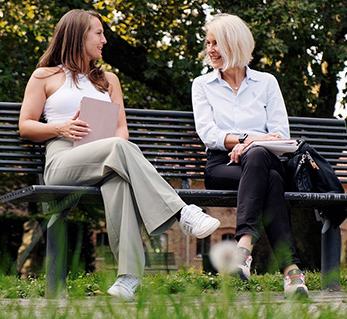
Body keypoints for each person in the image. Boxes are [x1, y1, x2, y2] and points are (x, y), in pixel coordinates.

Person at [18, 9, 220, 301]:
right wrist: (60, 128)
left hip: (108, 156)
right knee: (118, 151)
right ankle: (180, 211)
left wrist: (109, 143)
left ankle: (128, 278)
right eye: (98, 33)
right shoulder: (45, 76)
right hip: (63, 159)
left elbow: (121, 131)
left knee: (120, 182)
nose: (104, 40)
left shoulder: (108, 80)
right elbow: (26, 126)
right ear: (77, 35)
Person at [191, 13, 308, 298]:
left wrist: (253, 146)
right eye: (208, 43)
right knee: (270, 181)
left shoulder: (266, 83)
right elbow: (208, 134)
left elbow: (280, 134)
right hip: (223, 166)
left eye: (217, 42)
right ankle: (291, 272)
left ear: (235, 43)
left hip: (266, 157)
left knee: (258, 158)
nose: (211, 50)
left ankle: (243, 251)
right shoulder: (202, 85)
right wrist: (248, 139)